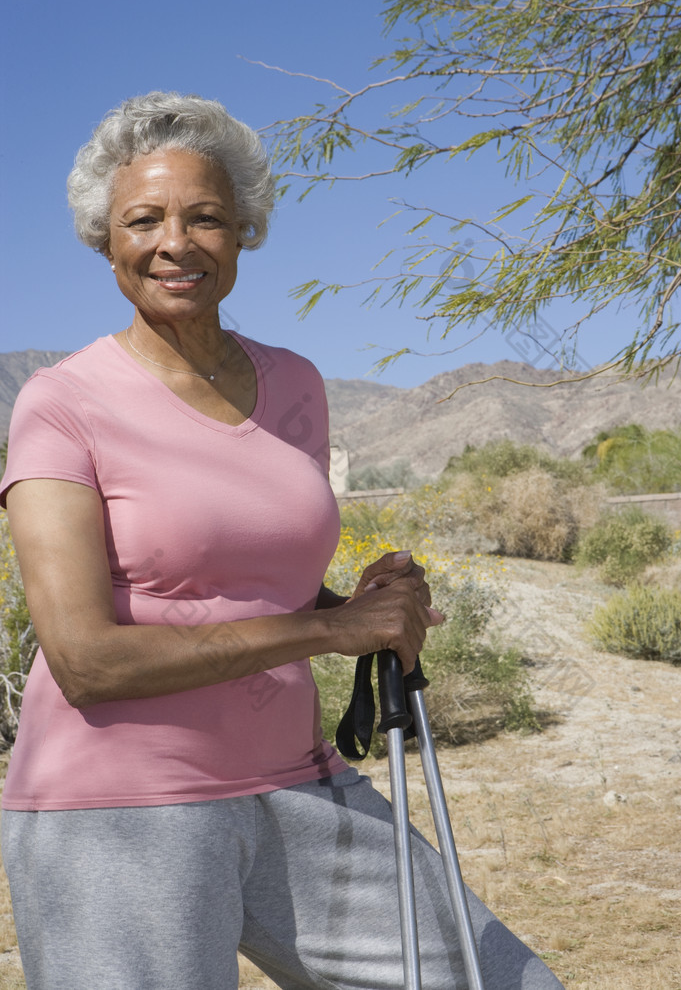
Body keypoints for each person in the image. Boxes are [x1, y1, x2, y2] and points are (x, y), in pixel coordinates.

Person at [0, 91, 564, 990]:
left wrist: (362, 609)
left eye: (206, 217)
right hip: (118, 807)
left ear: (244, 232)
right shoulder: (61, 405)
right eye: (142, 220)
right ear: (105, 241)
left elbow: (260, 590)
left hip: (297, 780)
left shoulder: (295, 383)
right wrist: (329, 633)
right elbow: (86, 661)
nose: (174, 243)